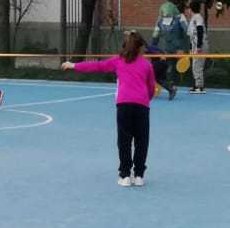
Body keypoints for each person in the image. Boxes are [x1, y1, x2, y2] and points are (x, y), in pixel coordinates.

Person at [62, 32, 158, 187]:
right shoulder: (147, 65)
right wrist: (146, 99)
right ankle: (139, 175)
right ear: (140, 48)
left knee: (124, 141)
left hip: (124, 104)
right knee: (142, 140)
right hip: (142, 105)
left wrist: (74, 65)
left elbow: (97, 66)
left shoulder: (118, 61)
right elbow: (151, 88)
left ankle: (125, 176)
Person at [150, 1, 189, 100]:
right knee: (167, 68)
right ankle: (170, 86)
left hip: (179, 48)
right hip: (167, 49)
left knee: (176, 68)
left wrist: (186, 49)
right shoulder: (160, 20)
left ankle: (173, 85)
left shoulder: (180, 18)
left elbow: (188, 32)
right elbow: (155, 36)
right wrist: (152, 49)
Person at [185, 0, 208, 94]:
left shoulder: (198, 17)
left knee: (198, 65)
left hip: (200, 45)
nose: (187, 10)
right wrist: (191, 48)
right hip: (195, 46)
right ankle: (197, 84)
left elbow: (200, 31)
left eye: (188, 8)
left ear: (191, 9)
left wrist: (199, 46)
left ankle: (199, 86)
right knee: (195, 65)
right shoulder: (193, 19)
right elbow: (191, 36)